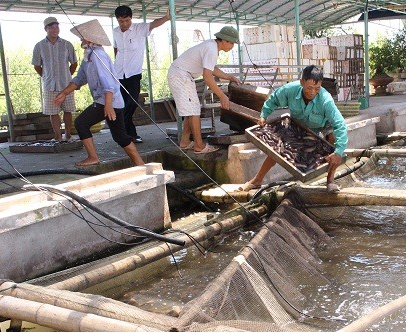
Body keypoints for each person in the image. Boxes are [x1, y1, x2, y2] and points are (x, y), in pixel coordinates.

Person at [240, 65, 348, 193]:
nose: (313, 92)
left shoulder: (326, 100)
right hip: (298, 123)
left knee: (332, 143)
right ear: (302, 82)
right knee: (279, 147)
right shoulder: (290, 90)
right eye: (309, 88)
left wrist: (339, 152)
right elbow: (273, 100)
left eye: (317, 88)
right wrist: (264, 115)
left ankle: (330, 180)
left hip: (323, 124)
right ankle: (257, 180)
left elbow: (340, 124)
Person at [54, 19, 144, 167]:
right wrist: (64, 93)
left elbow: (108, 82)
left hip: (108, 101)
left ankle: (93, 157)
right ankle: (139, 163)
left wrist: (108, 105)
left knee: (81, 123)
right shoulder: (89, 56)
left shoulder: (98, 55)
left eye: (82, 38)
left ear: (90, 39)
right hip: (109, 101)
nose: (81, 40)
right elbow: (79, 79)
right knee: (120, 136)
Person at [167, 26, 241, 154]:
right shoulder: (212, 49)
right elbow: (207, 77)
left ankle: (185, 141)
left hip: (181, 74)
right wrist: (222, 96)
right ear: (224, 40)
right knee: (194, 111)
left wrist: (230, 77)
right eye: (232, 43)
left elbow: (212, 69)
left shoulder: (211, 46)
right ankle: (199, 146)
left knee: (191, 110)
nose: (232, 46)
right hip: (181, 75)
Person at [113, 5, 170, 143]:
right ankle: (129, 135)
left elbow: (153, 24)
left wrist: (166, 18)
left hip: (133, 74)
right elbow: (116, 49)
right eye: (121, 21)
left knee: (131, 103)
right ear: (117, 20)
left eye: (127, 20)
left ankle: (125, 133)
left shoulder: (139, 29)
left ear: (131, 18)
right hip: (119, 75)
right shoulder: (115, 32)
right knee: (121, 105)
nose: (124, 24)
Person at [32, 16, 78, 142]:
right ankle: (57, 136)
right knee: (53, 112)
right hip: (49, 85)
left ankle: (68, 135)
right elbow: (37, 65)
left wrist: (67, 76)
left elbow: (74, 63)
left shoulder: (67, 44)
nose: (54, 29)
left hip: (66, 85)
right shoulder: (39, 46)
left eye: (56, 26)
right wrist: (46, 76)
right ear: (45, 29)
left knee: (68, 110)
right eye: (51, 27)